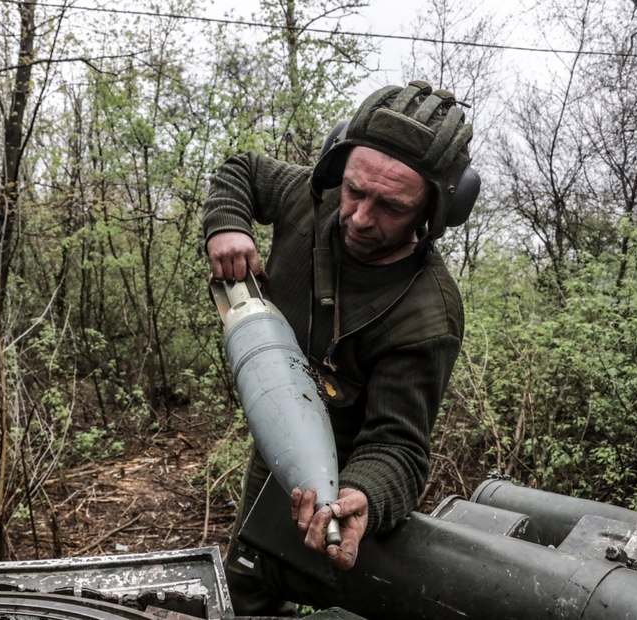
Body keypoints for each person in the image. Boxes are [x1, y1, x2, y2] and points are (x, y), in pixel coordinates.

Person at [201, 80, 478, 613]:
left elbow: (398, 445)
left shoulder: (426, 317)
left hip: (341, 484)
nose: (359, 217)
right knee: (244, 585)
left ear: (436, 211)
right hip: (277, 438)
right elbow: (243, 170)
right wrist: (226, 225)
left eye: (391, 206)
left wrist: (363, 498)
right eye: (355, 190)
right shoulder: (311, 199)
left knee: (339, 593)